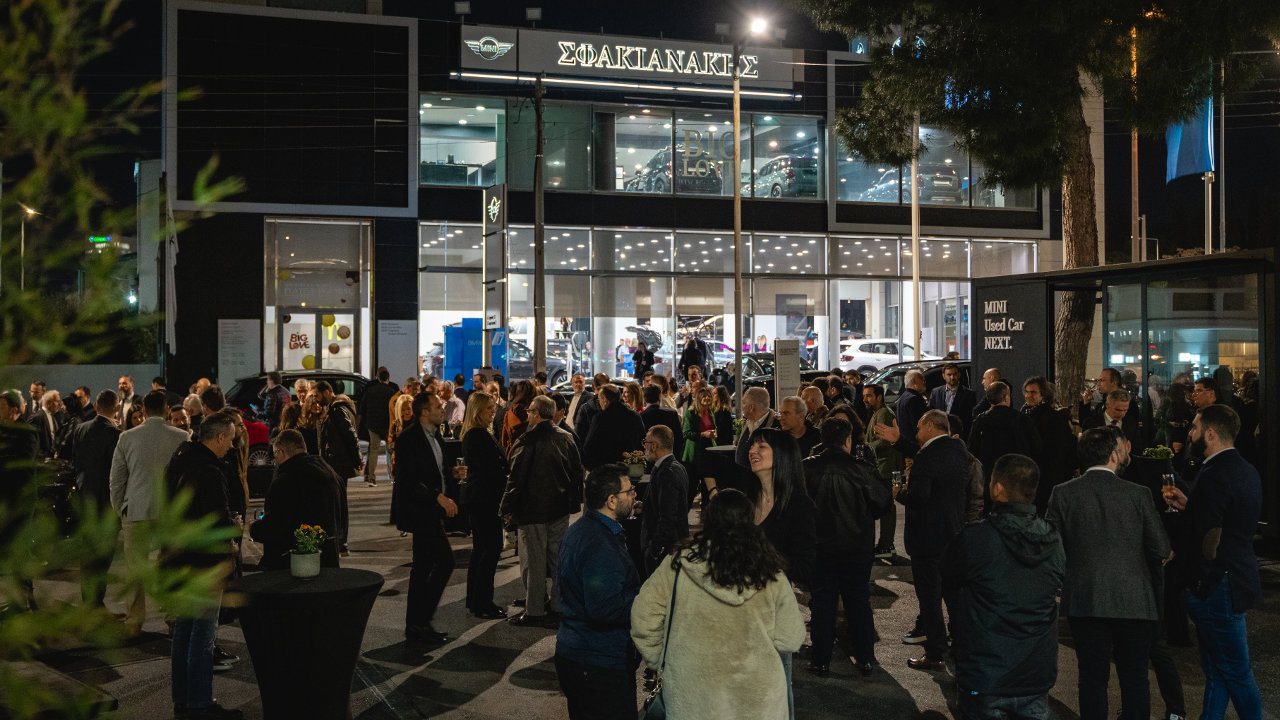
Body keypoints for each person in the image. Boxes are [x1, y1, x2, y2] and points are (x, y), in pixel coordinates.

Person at [631, 488, 806, 720]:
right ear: (750, 522)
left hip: (691, 696)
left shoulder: (678, 565)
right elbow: (791, 637)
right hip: (757, 700)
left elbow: (643, 618)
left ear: (708, 520)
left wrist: (660, 659)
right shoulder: (770, 573)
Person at [1046, 427, 1172, 720]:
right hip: (1135, 599)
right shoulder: (1138, 494)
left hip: (1085, 597)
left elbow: (1051, 546)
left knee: (1092, 677)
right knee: (1135, 676)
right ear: (1114, 455)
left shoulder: (1063, 493)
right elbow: (1161, 547)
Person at [943, 454, 1066, 720]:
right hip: (1035, 673)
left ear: (997, 488)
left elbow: (948, 577)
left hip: (984, 673)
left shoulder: (977, 537)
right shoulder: (1052, 539)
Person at [1163, 404, 1264, 720]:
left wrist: (1194, 581)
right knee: (1219, 671)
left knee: (1234, 671)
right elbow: (1229, 520)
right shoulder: (1246, 470)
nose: (1189, 433)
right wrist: (1191, 505)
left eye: (1194, 428)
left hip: (1217, 585)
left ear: (1210, 433)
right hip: (1237, 577)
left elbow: (1210, 539)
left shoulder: (1212, 475)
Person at [162, 412, 242, 720]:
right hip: (205, 562)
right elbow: (215, 518)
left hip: (179, 557)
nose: (231, 446)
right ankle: (199, 703)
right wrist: (233, 531)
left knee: (184, 630)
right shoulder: (209, 471)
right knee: (203, 633)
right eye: (230, 440)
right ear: (219, 438)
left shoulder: (180, 459)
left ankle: (182, 699)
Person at [802, 417, 891, 677]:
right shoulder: (862, 469)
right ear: (848, 440)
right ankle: (865, 658)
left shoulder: (807, 468)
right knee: (858, 601)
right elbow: (883, 503)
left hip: (820, 547)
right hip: (856, 546)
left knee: (822, 602)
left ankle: (821, 660)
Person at [554, 464, 643, 720]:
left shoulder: (583, 529)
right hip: (598, 662)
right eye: (629, 491)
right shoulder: (600, 545)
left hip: (578, 655)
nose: (634, 495)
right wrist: (648, 602)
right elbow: (605, 608)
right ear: (611, 501)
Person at [888, 409, 970, 670]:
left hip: (926, 539)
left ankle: (935, 653)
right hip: (952, 534)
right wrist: (899, 441)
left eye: (919, 428)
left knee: (930, 599)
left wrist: (900, 494)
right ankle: (962, 647)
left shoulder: (926, 456)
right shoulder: (958, 449)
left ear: (931, 427)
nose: (916, 433)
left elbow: (919, 497)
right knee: (953, 596)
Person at [110, 389, 190, 633]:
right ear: (166, 410)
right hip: (170, 511)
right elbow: (188, 477)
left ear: (143, 410)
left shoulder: (127, 437)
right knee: (172, 565)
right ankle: (173, 617)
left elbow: (116, 479)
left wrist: (120, 508)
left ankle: (135, 621)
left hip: (136, 509)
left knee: (135, 569)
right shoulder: (182, 437)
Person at [501, 395, 583, 626]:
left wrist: (506, 507)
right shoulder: (566, 437)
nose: (528, 414)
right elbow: (577, 472)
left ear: (537, 413)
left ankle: (535, 609)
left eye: (530, 411)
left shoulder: (527, 440)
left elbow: (516, 478)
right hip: (560, 507)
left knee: (533, 561)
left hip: (532, 509)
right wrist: (573, 501)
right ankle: (558, 606)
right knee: (557, 558)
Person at [389, 392, 462, 644]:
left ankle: (417, 624)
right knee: (445, 561)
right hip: (420, 510)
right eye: (437, 406)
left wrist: (452, 473)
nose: (442, 409)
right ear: (424, 412)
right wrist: (437, 497)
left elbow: (436, 470)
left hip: (432, 510)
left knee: (422, 567)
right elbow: (408, 480)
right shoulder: (408, 439)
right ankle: (421, 619)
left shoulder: (436, 435)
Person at [249, 429, 343, 570]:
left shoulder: (285, 480)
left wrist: (255, 528)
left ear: (280, 452)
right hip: (328, 556)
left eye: (275, 454)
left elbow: (276, 526)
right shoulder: (328, 472)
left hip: (295, 562)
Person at [63, 389, 122, 609]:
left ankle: (88, 601)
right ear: (117, 408)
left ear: (96, 406)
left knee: (87, 554)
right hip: (105, 502)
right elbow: (116, 472)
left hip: (84, 496)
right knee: (103, 556)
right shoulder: (115, 434)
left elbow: (74, 459)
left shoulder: (81, 428)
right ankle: (96, 603)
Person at [460, 391, 508, 619]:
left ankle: (476, 599)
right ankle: (483, 602)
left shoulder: (477, 434)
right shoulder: (477, 435)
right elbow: (489, 469)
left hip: (481, 498)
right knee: (490, 549)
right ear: (478, 411)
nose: (493, 412)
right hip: (485, 499)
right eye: (489, 408)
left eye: (493, 407)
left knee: (482, 549)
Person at [968, 381, 1042, 508]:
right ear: (1006, 397)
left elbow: (972, 451)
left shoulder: (980, 421)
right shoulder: (1021, 419)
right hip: (1019, 477)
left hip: (990, 480)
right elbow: (1037, 447)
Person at [1021, 376, 1077, 515]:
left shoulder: (1051, 417)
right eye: (1026, 392)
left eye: (1033, 392)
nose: (1028, 395)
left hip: (1046, 476)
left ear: (1043, 395)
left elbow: (1058, 448)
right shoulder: (1025, 413)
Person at [315, 381, 359, 553]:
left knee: (340, 503)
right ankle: (340, 541)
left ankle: (341, 541)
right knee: (339, 502)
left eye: (317, 395)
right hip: (337, 462)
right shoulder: (334, 408)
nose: (316, 399)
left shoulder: (337, 409)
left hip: (339, 463)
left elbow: (349, 435)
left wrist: (356, 459)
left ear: (327, 392)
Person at [640, 425, 689, 575]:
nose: (644, 446)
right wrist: (645, 506)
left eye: (646, 442)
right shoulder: (676, 467)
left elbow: (668, 517)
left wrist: (655, 550)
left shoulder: (667, 472)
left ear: (654, 446)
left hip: (666, 551)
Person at [863, 384, 904, 559]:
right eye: (864, 396)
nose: (865, 399)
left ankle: (886, 545)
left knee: (887, 506)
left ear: (879, 397)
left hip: (886, 467)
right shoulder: (878, 413)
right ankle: (885, 544)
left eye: (869, 396)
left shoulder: (884, 414)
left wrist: (865, 448)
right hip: (882, 466)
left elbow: (885, 440)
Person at [582, 384, 647, 470]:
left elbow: (589, 446)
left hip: (607, 469)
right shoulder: (635, 415)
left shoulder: (600, 418)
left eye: (600, 399)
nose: (600, 402)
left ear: (605, 400)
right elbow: (642, 441)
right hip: (630, 468)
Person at [359, 367, 398, 486]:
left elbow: (362, 408)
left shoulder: (370, 390)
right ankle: (394, 476)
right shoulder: (392, 391)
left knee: (373, 450)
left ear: (378, 378)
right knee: (391, 449)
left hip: (373, 425)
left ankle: (371, 477)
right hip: (387, 425)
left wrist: (366, 423)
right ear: (388, 378)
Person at [1082, 388, 1145, 454]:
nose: (1122, 414)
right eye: (1118, 410)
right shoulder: (1091, 423)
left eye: (1125, 410)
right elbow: (1086, 451)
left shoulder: (1131, 423)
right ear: (1107, 405)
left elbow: (1137, 450)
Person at [928, 362, 977, 437]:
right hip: (939, 434)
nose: (952, 377)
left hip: (959, 435)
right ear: (944, 376)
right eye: (949, 374)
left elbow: (969, 419)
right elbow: (931, 413)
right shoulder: (936, 392)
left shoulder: (969, 394)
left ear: (959, 375)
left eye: (954, 374)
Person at [889, 369, 929, 457]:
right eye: (922, 379)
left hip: (906, 445)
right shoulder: (914, 399)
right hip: (915, 448)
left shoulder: (903, 397)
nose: (924, 382)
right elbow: (918, 425)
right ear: (914, 381)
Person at [734, 387, 777, 468]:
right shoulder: (747, 423)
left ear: (751, 408)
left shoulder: (775, 427)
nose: (742, 407)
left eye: (744, 403)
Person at [640, 384, 683, 453]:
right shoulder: (672, 414)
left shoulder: (641, 416)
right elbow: (678, 439)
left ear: (644, 398)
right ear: (660, 397)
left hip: (649, 455)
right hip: (668, 455)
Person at [500, 379, 535, 458]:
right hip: (530, 454)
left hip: (512, 453)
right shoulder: (534, 413)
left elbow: (504, 441)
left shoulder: (509, 412)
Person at [386, 393, 415, 478]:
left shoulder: (418, 423)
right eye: (403, 410)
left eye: (408, 409)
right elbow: (389, 444)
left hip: (415, 461)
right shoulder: (395, 424)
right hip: (399, 462)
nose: (406, 412)